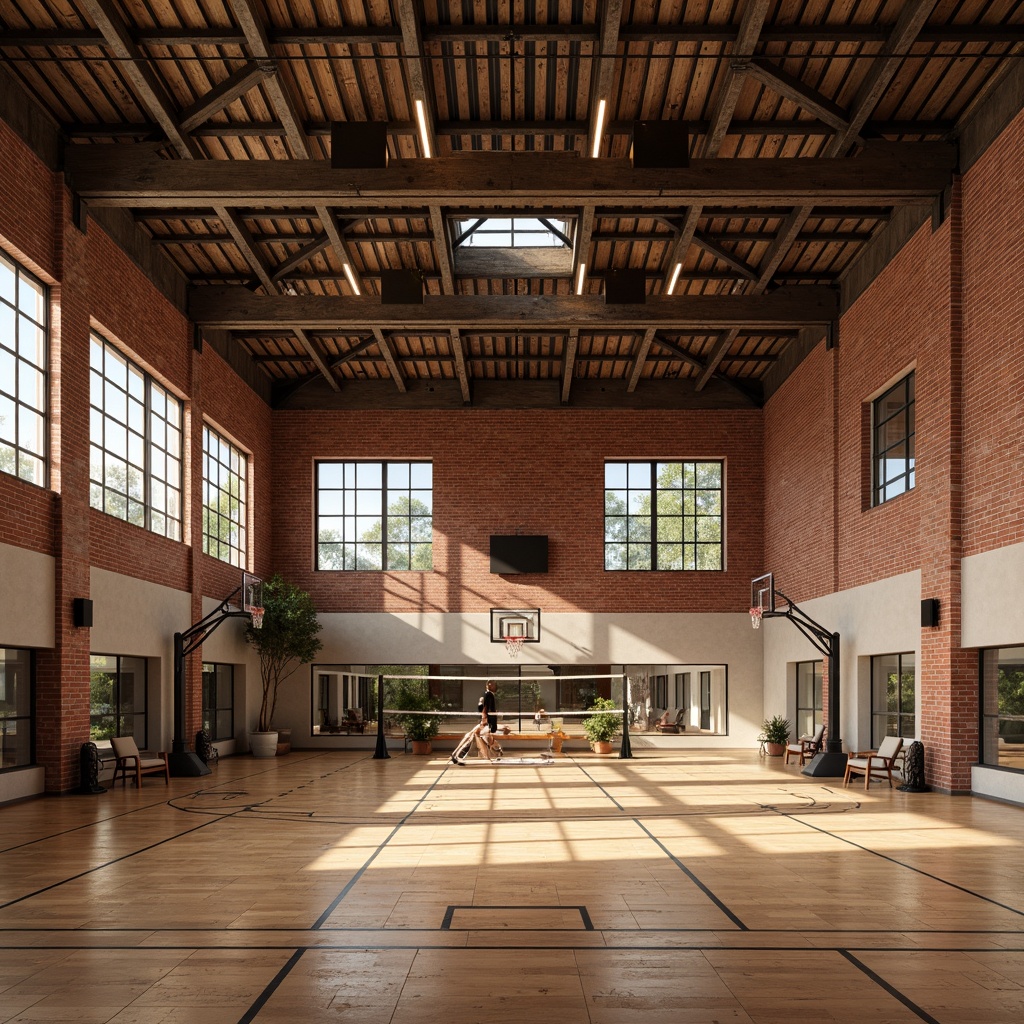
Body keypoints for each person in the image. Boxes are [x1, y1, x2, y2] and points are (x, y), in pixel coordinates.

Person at [476, 680, 502, 759]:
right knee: (482, 735)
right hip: (488, 720)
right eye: (492, 685)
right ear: (488, 686)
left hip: (488, 719)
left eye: (494, 685)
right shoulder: (488, 694)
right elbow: (485, 708)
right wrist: (485, 719)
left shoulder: (489, 694)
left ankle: (494, 751)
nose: (493, 687)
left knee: (484, 735)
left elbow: (485, 708)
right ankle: (493, 751)